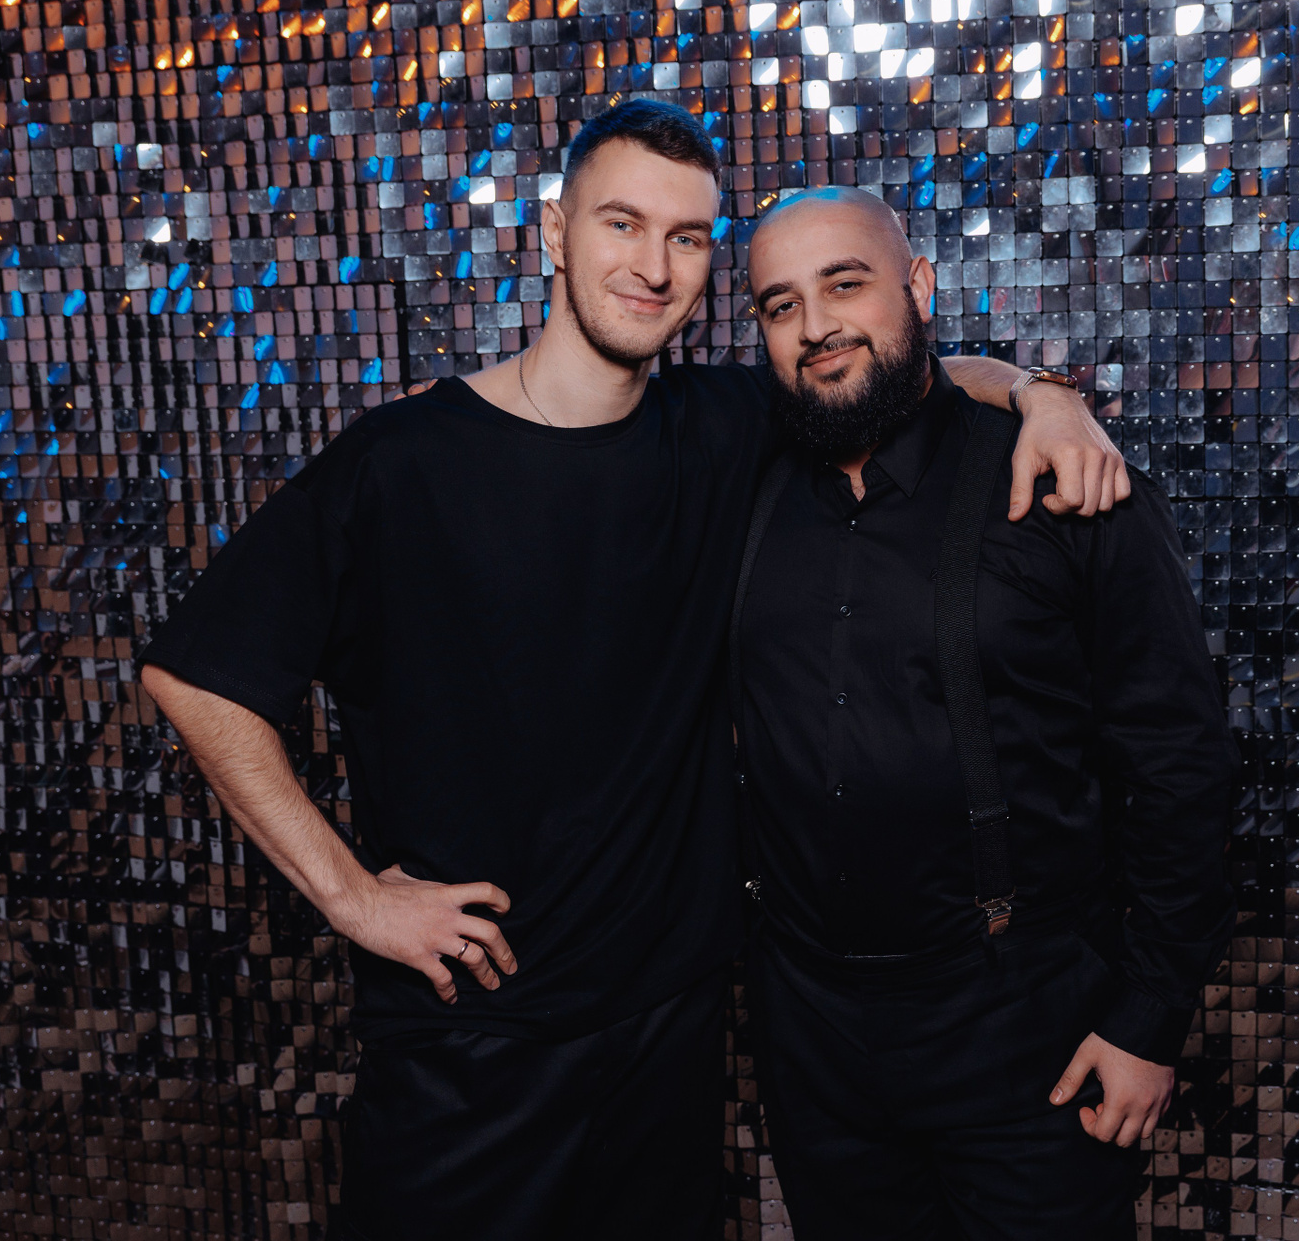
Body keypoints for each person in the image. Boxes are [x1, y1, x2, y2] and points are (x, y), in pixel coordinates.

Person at [136, 100, 1130, 1241]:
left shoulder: (726, 425)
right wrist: (353, 896)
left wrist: (1045, 395)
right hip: (473, 1044)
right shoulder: (403, 463)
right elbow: (198, 676)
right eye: (622, 223)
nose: (653, 267)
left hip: (671, 1039)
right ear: (553, 232)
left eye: (687, 236)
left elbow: (896, 366)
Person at [731, 187, 1237, 1241]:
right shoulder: (740, 477)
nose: (816, 324)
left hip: (1024, 1026)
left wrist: (1149, 1016)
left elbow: (1177, 761)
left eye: (846, 284)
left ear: (919, 285)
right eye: (781, 304)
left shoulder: (1061, 478)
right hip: (813, 1038)